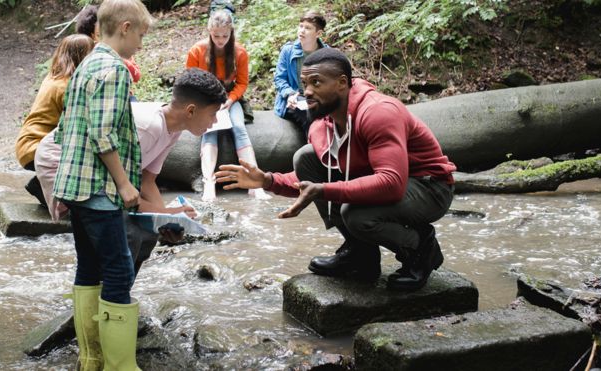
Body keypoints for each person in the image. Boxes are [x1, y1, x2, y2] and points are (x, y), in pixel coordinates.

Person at [216, 48, 456, 292]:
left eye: (317, 82)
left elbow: (391, 184)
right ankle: (361, 255)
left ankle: (421, 247)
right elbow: (309, 178)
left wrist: (324, 190)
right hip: (386, 181)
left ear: (342, 83)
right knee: (306, 158)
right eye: (305, 83)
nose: (307, 91)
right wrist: (267, 180)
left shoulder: (378, 112)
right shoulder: (323, 122)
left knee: (355, 214)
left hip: (429, 187)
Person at [36, 69, 226, 271]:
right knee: (128, 234)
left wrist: (166, 221)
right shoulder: (148, 127)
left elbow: (147, 181)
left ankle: (115, 293)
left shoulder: (173, 132)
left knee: (148, 234)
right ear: (190, 111)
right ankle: (111, 293)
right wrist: (167, 213)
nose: (214, 121)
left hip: (104, 174)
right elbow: (118, 190)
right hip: (62, 162)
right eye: (213, 114)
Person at [52, 0, 152, 369]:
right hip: (99, 190)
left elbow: (66, 130)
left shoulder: (86, 63)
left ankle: (91, 358)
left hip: (75, 186)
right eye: (140, 34)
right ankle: (119, 365)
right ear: (124, 27)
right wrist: (126, 186)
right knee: (119, 271)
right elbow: (103, 134)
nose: (141, 43)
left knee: (89, 268)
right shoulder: (114, 69)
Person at [185, 10, 269, 201]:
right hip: (205, 100)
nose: (220, 40)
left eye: (225, 35)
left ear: (231, 32)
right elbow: (190, 80)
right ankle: (208, 182)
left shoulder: (239, 52)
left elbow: (242, 83)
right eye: (216, 36)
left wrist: (230, 101)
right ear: (209, 31)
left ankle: (254, 183)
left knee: (239, 127)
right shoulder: (197, 50)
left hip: (231, 100)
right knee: (210, 130)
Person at [14, 34, 94, 206]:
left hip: (27, 145)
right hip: (37, 147)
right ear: (83, 58)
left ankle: (42, 184)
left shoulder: (54, 78)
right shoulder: (66, 87)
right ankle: (45, 188)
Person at [273, 10, 327, 138]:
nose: (302, 30)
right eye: (301, 26)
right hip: (294, 99)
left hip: (318, 99)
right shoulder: (288, 51)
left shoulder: (326, 54)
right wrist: (290, 94)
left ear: (318, 33)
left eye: (308, 28)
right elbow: (279, 79)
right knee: (310, 116)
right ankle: (314, 152)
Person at [76, 4, 142, 101]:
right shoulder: (87, 55)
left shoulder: (120, 49)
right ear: (91, 37)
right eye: (99, 35)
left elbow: (136, 75)